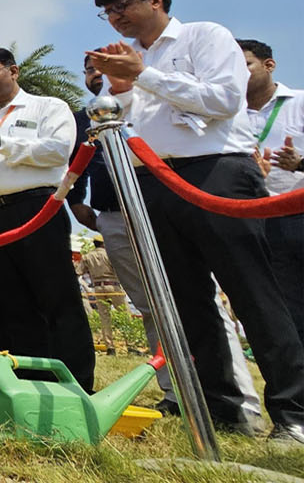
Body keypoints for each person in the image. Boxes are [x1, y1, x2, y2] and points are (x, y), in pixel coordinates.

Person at [88, 0, 304, 443]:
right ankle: (223, 410)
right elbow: (107, 120)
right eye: (107, 12)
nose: (115, 19)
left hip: (218, 171)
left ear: (156, 0)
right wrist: (122, 88)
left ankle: (293, 411)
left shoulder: (204, 37)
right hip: (154, 178)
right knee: (186, 300)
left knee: (253, 293)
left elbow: (224, 100)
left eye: (122, 6)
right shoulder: (127, 58)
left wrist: (143, 75)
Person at [71, 53, 260, 419]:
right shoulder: (86, 117)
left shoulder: (150, 107)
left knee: (196, 300)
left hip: (162, 207)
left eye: (105, 68)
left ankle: (237, 399)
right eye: (92, 70)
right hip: (114, 216)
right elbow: (79, 161)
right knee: (149, 306)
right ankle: (177, 393)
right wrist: (79, 202)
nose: (98, 75)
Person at [0, 47, 92, 390]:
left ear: (14, 71)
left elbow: (56, 151)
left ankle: (76, 384)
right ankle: (19, 381)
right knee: (1, 300)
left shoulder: (47, 107)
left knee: (55, 296)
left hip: (36, 209)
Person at [242, 39, 303, 347]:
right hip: (265, 222)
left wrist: (301, 162)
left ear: (269, 65)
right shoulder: (230, 117)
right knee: (288, 311)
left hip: (300, 213)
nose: (239, 74)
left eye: (246, 65)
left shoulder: (300, 102)